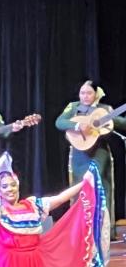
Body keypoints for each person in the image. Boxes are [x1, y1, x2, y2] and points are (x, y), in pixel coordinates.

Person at [55, 80, 124, 240]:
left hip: (99, 154)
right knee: (79, 189)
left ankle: (105, 229)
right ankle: (80, 228)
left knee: (101, 188)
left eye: (89, 93)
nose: (85, 96)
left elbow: (120, 123)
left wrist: (112, 120)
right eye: (82, 93)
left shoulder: (104, 109)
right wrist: (78, 127)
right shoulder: (73, 107)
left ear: (95, 94)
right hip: (79, 155)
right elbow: (59, 122)